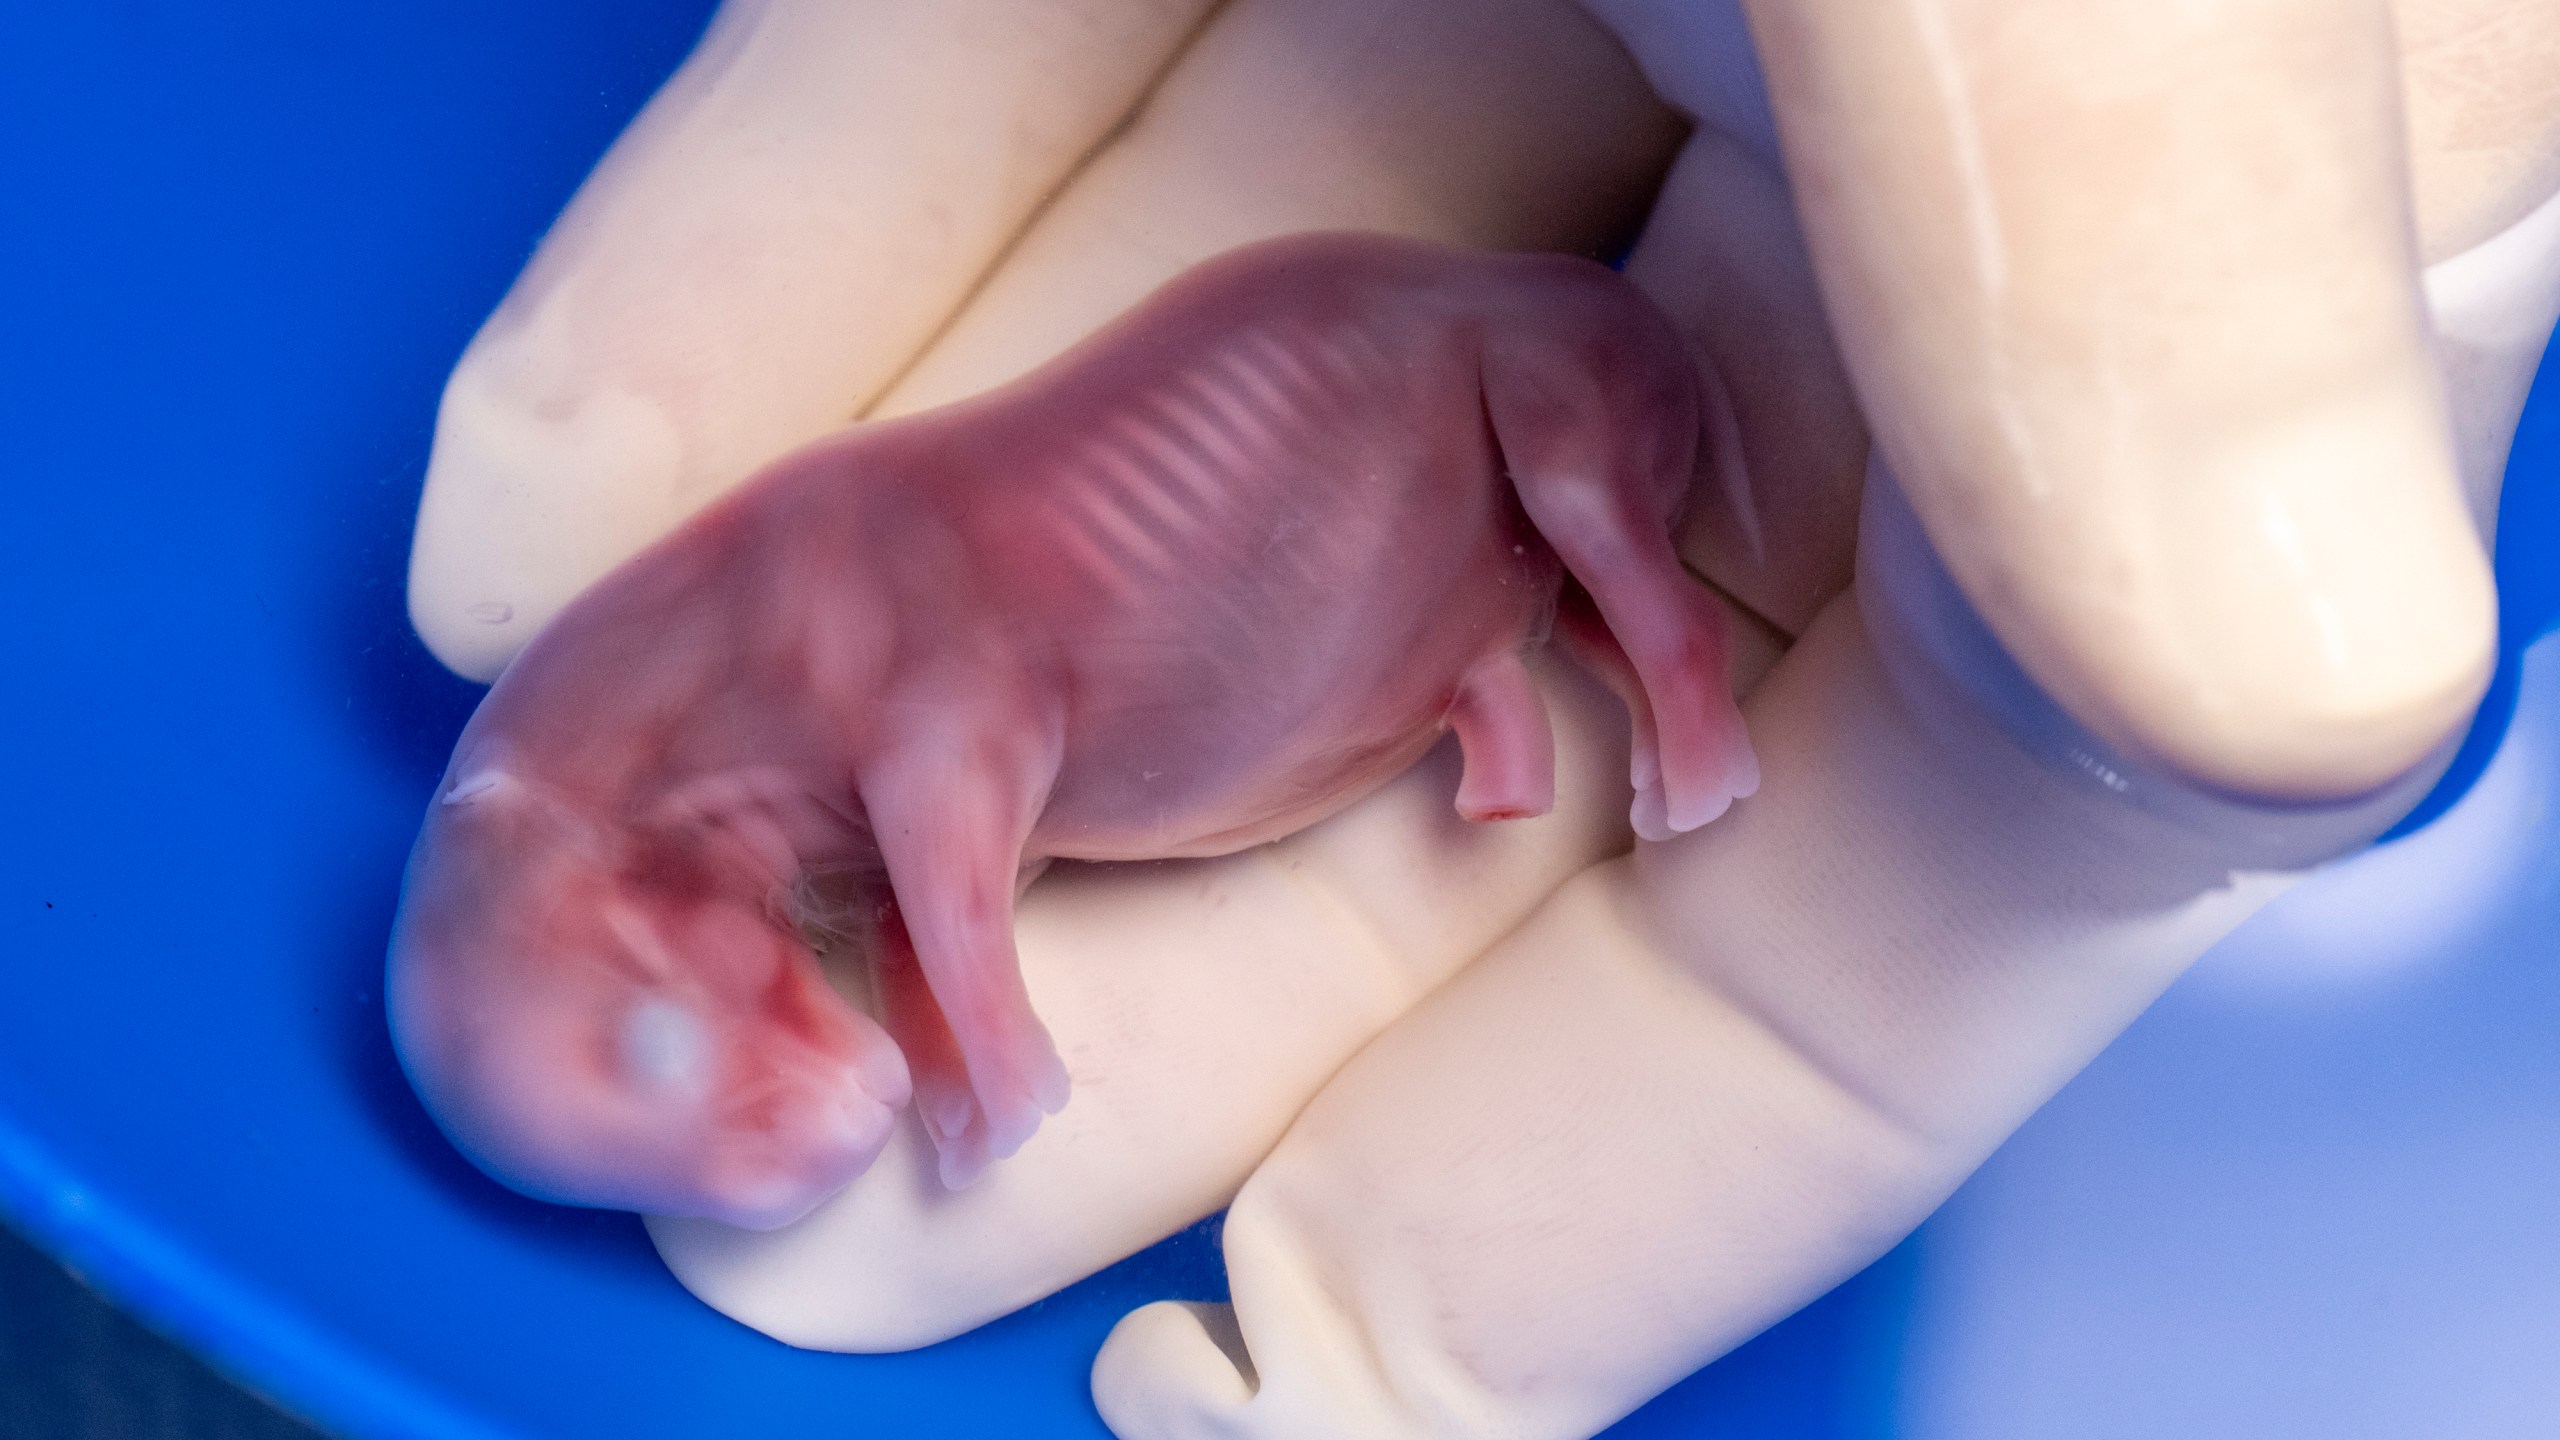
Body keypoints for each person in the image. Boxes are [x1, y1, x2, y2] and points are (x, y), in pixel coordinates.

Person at [405, 1, 2560, 1435]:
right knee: (1450, 611)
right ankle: (1515, 709)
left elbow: (955, 779)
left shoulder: (864, 701)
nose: (772, 1108)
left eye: (672, 1045)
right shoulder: (751, 722)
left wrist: (2393, 165)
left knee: (1624, 558)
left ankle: (1654, 685)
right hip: (1367, 513)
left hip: (1461, 398)